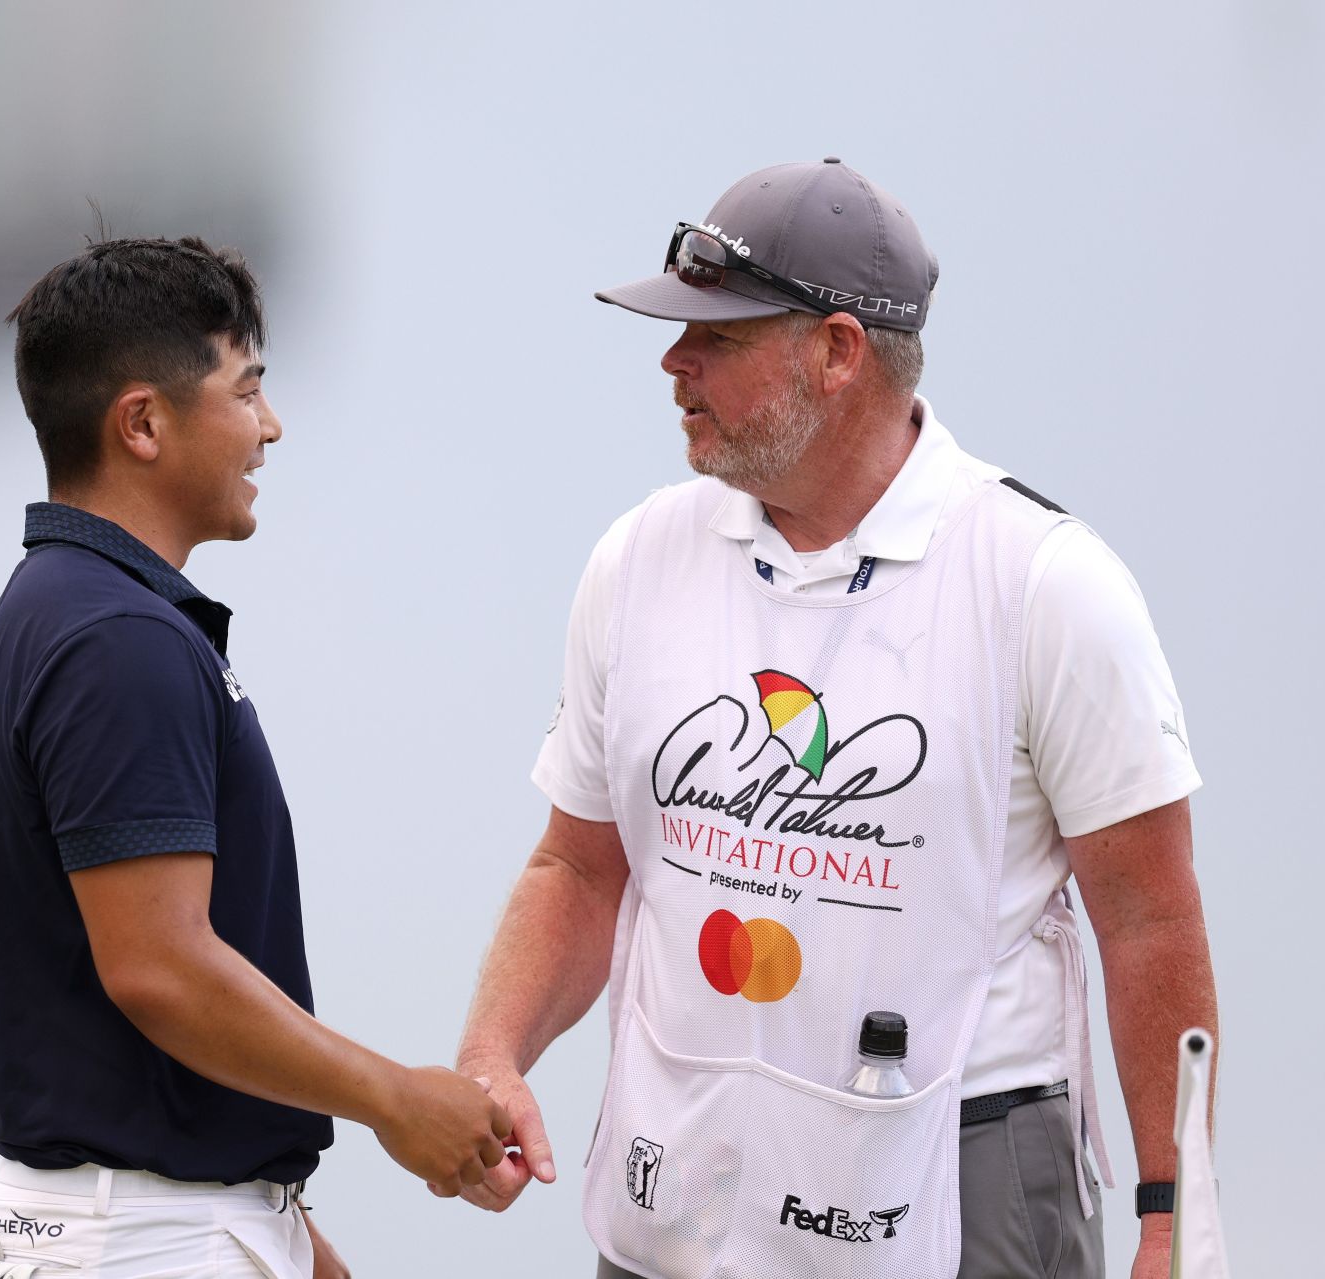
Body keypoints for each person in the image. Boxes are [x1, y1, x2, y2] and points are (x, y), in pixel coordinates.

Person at [454, 160, 1218, 1279]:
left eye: (717, 338)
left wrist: (1172, 1216)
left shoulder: (1045, 582)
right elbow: (578, 866)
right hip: (690, 1176)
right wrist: (492, 1053)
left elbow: (1149, 919)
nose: (675, 364)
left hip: (964, 1174)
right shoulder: (640, 558)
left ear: (837, 352)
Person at [0, 236, 510, 1279]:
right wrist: (395, 1099)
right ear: (143, 423)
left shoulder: (58, 609)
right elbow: (160, 968)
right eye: (246, 390)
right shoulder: (117, 640)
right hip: (135, 1246)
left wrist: (270, 1219)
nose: (271, 426)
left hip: (137, 1230)